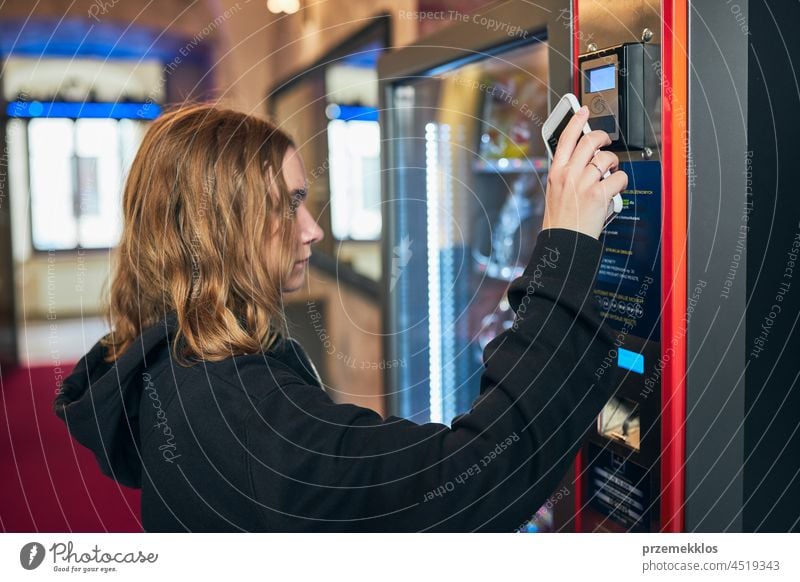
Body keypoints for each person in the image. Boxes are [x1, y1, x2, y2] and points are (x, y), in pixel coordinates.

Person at [53, 103, 627, 532]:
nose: (313, 231)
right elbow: (468, 481)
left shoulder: (169, 367)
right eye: (289, 205)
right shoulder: (239, 418)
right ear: (218, 229)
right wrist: (567, 251)